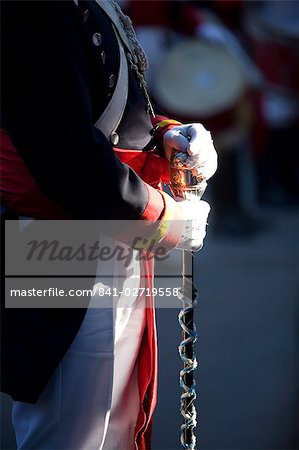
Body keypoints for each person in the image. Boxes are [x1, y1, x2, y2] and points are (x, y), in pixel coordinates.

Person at [0, 1, 217, 449]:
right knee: (69, 434)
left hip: (107, 230)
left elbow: (98, 109)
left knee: (115, 429)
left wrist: (164, 134)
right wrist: (166, 217)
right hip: (56, 239)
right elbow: (65, 155)